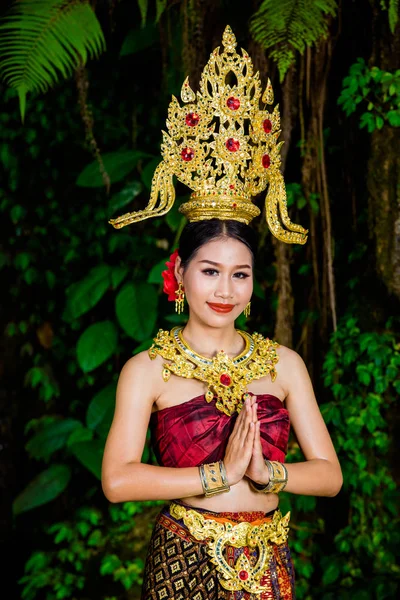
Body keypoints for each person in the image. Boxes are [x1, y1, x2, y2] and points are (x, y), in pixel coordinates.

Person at [101, 26, 343, 600]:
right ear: (179, 272)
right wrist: (218, 476)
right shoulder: (147, 370)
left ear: (254, 284)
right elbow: (117, 480)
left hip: (270, 560)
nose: (225, 289)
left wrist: (268, 475)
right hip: (184, 560)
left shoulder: (282, 363)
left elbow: (330, 475)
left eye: (240, 274)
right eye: (210, 271)